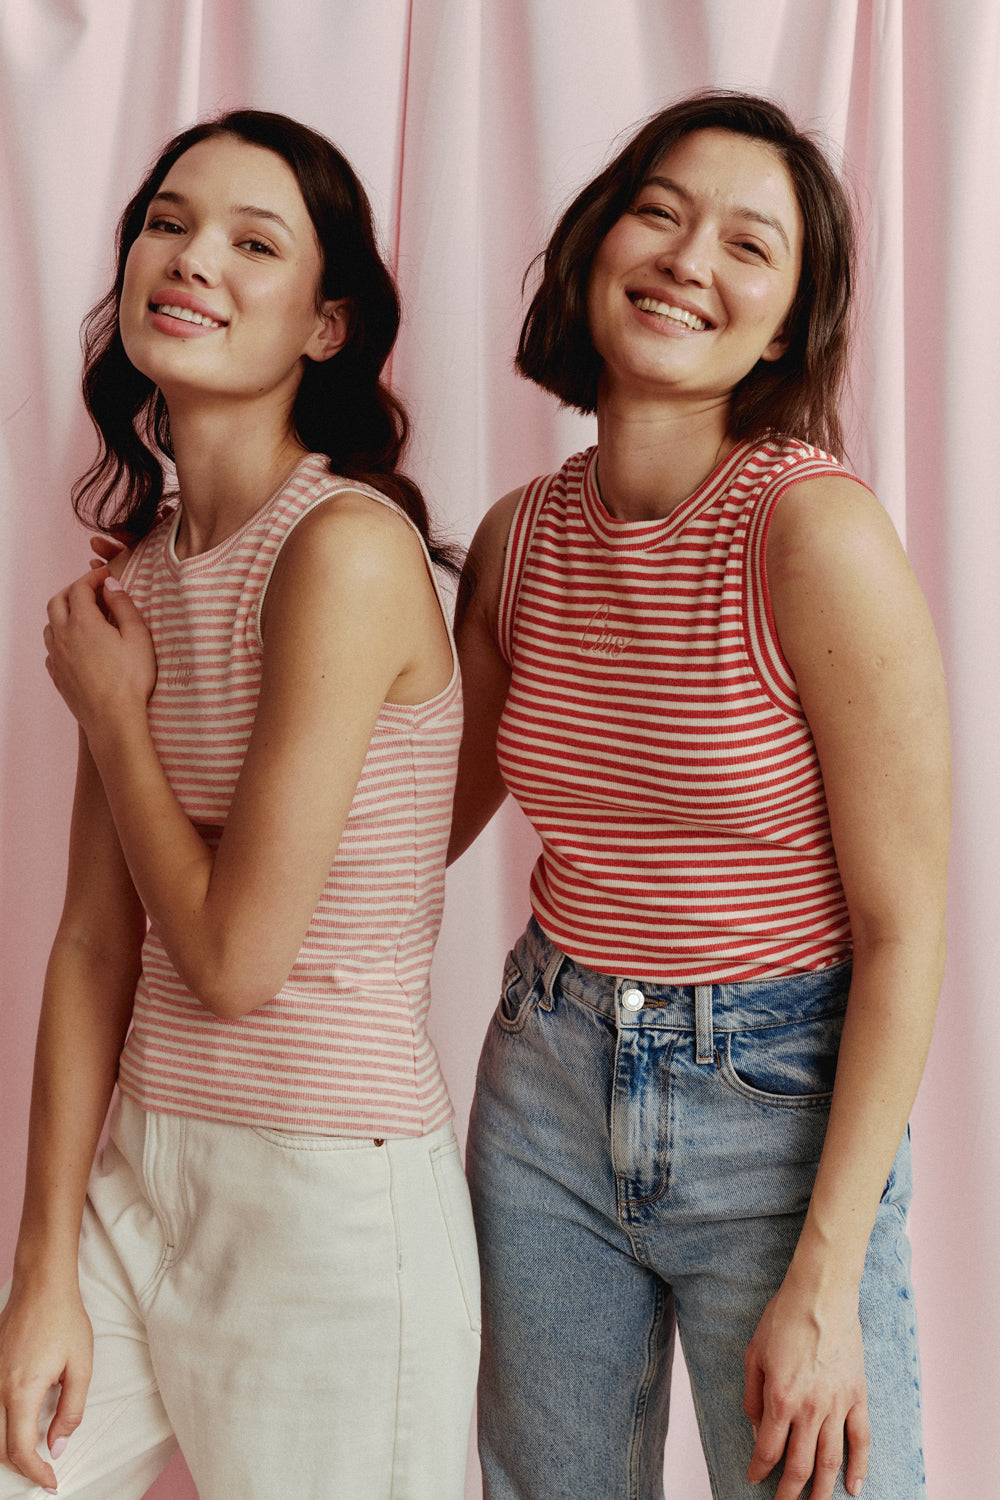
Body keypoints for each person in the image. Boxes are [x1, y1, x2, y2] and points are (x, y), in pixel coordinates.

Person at [451, 91, 948, 1500]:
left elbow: (907, 926)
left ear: (787, 324)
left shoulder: (815, 531)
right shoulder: (519, 541)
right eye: (659, 212)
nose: (686, 258)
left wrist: (832, 1272)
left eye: (749, 244)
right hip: (545, 1083)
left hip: (776, 1104)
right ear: (598, 245)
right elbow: (409, 830)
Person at [0, 109, 479, 1499]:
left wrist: (110, 715)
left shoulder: (343, 553)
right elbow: (96, 944)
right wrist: (41, 1270)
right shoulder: (141, 581)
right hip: (144, 1173)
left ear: (325, 327)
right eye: (167, 220)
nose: (190, 256)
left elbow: (229, 958)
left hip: (327, 1205)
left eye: (251, 242)